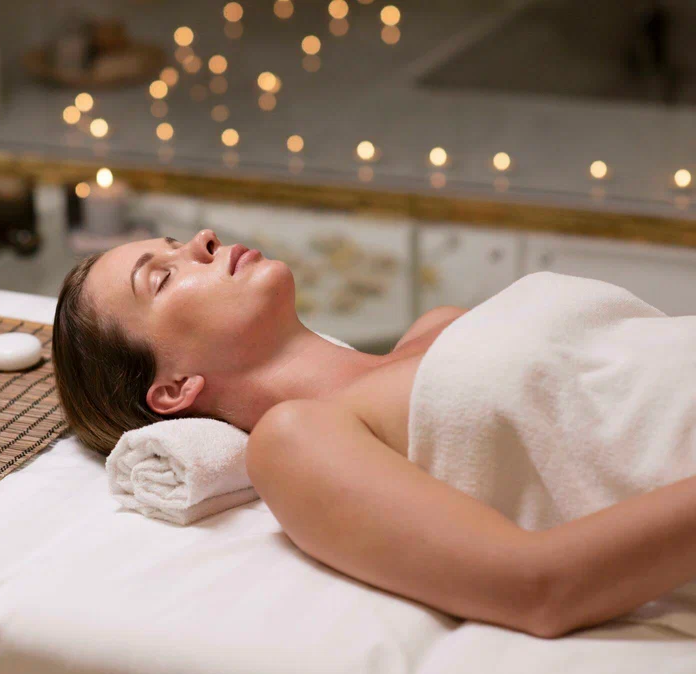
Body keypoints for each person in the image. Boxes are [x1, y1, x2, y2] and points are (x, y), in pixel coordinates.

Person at [52, 228, 696, 640]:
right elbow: (539, 589)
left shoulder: (440, 322)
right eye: (161, 277)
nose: (203, 239)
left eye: (175, 242)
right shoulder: (297, 441)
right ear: (173, 389)